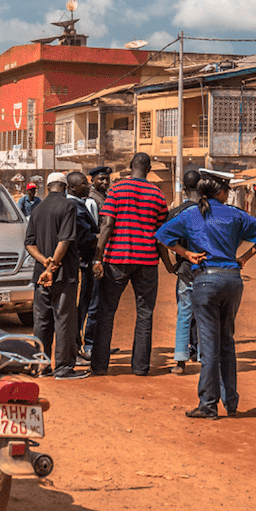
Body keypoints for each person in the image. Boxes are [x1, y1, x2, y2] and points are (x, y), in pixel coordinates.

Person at [155, 169, 256, 418]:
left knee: (209, 346)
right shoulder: (235, 214)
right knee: (227, 341)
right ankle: (231, 402)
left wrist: (186, 254)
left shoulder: (191, 214)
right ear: (221, 192)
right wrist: (244, 258)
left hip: (205, 281)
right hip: (232, 280)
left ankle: (208, 405)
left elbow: (162, 235)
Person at [90, 153, 169, 376]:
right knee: (145, 314)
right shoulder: (157, 194)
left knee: (106, 312)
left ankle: (99, 365)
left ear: (130, 166)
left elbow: (107, 225)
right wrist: (168, 264)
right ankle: (141, 366)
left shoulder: (116, 190)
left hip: (117, 259)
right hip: (147, 261)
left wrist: (98, 257)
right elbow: (161, 234)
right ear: (149, 168)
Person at [24, 172, 87, 379]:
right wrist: (51, 268)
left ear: (47, 187)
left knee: (42, 322)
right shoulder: (68, 206)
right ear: (66, 187)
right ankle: (63, 368)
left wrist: (44, 263)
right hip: (63, 274)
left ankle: (40, 366)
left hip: (40, 276)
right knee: (64, 321)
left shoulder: (38, 209)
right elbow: (65, 239)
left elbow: (29, 243)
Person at [169, 168, 203, 375]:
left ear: (183, 187)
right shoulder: (210, 211)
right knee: (206, 315)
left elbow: (165, 239)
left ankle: (180, 362)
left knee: (184, 314)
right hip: (207, 269)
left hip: (184, 268)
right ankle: (203, 356)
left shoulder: (176, 213)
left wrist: (177, 257)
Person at [65, 170, 99, 357]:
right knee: (86, 305)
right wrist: (102, 237)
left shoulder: (79, 204)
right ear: (71, 187)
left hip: (83, 263)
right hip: (84, 263)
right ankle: (83, 346)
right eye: (83, 184)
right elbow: (85, 238)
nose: (88, 186)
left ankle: (85, 344)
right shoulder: (74, 207)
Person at [80, 165, 112, 359]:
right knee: (92, 303)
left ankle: (98, 343)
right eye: (101, 179)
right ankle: (89, 344)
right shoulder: (92, 201)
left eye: (107, 179)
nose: (104, 182)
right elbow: (96, 231)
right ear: (92, 180)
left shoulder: (105, 197)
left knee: (100, 302)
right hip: (95, 256)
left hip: (103, 255)